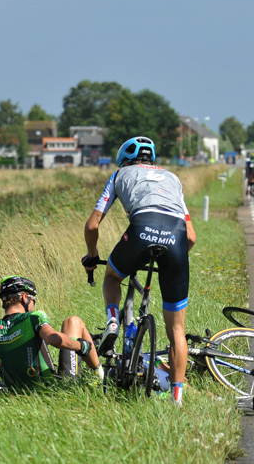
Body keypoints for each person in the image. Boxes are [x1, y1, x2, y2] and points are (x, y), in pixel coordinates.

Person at [82, 136, 196, 405]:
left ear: (124, 159)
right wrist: (170, 256)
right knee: (177, 331)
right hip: (176, 239)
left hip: (140, 231)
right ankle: (177, 398)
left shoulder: (120, 174)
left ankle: (112, 320)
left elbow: (92, 225)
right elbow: (190, 237)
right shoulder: (172, 178)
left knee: (112, 276)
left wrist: (93, 255)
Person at [0, 276, 101, 395]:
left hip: (19, 393)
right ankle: (101, 376)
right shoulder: (33, 317)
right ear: (25, 298)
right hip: (57, 389)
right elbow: (53, 339)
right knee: (73, 321)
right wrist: (81, 345)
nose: (34, 305)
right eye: (33, 300)